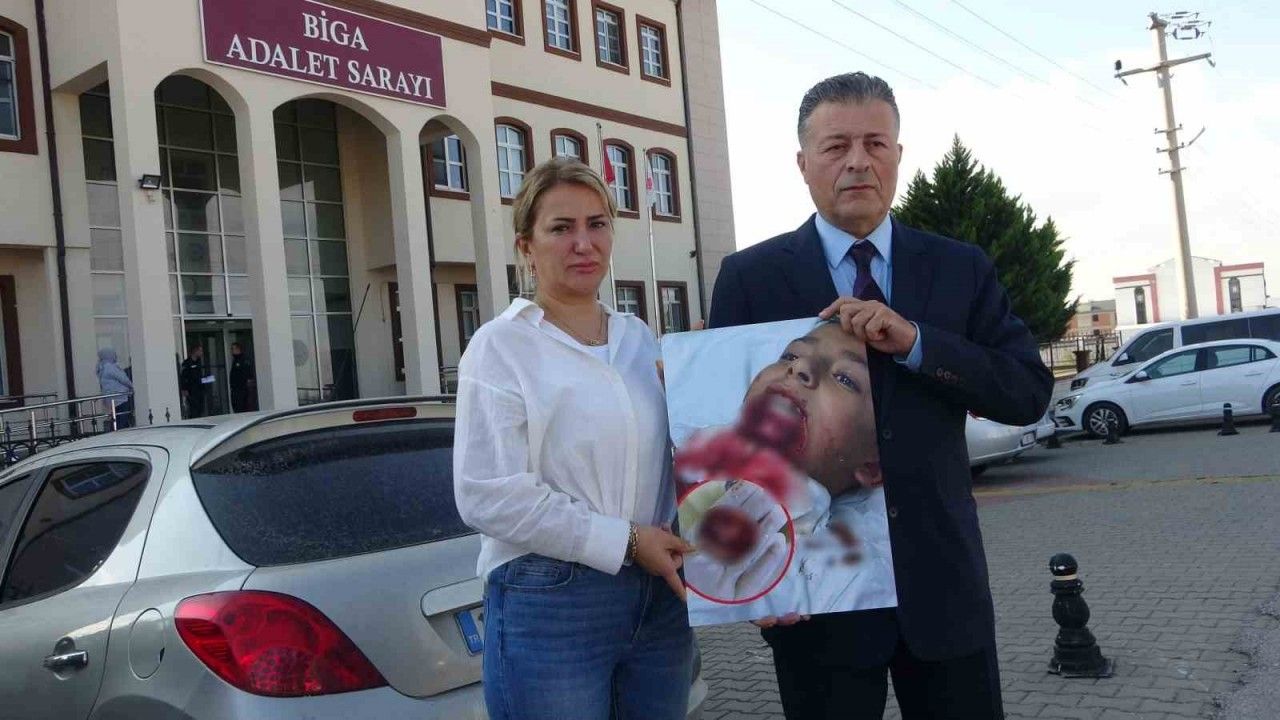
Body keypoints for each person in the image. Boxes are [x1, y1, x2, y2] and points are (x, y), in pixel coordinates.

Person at [708, 72, 1053, 719]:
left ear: (897, 154)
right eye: (836, 146)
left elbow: (1026, 391)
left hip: (942, 593)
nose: (858, 161)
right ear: (803, 163)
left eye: (875, 143)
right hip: (813, 601)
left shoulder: (959, 268)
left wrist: (920, 343)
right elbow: (735, 436)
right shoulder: (750, 278)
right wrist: (750, 576)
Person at [452, 157, 695, 720]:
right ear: (527, 246)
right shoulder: (500, 346)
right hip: (552, 599)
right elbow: (488, 494)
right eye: (561, 228)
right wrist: (625, 541)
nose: (584, 243)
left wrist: (704, 396)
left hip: (659, 594)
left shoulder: (639, 339)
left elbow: (677, 457)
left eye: (597, 224)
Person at [95, 348, 134, 429]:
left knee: (116, 417)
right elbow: (122, 378)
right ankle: (120, 431)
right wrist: (131, 386)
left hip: (111, 398)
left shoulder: (101, 367)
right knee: (122, 417)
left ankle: (117, 430)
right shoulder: (110, 367)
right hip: (120, 397)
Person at [179, 344, 207, 419]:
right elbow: (183, 377)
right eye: (200, 351)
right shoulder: (187, 363)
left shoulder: (198, 362)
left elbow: (199, 376)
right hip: (191, 391)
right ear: (195, 351)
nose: (201, 353)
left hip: (200, 390)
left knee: (200, 410)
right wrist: (184, 389)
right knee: (193, 411)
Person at [229, 342, 255, 413]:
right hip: (235, 390)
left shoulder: (243, 360)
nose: (232, 351)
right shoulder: (235, 360)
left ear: (238, 349)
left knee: (241, 408)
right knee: (236, 408)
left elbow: (248, 375)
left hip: (242, 390)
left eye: (233, 349)